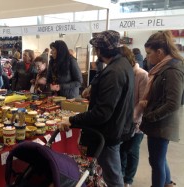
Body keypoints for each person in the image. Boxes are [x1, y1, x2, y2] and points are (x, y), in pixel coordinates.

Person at [58, 30, 134, 187]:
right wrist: (95, 87)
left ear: (100, 50)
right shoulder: (121, 64)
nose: (94, 51)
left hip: (108, 133)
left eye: (95, 48)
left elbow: (102, 113)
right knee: (112, 172)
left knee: (113, 176)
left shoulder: (114, 72)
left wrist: (72, 120)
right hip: (116, 128)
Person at [139, 31, 184, 187]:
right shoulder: (163, 68)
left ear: (160, 52)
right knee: (159, 158)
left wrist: (150, 116)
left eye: (149, 53)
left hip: (161, 124)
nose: (147, 57)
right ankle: (167, 183)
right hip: (159, 123)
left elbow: (173, 103)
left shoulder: (172, 70)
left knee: (156, 161)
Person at [119, 46, 148, 187]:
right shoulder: (123, 73)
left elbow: (142, 101)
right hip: (123, 121)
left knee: (132, 151)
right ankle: (122, 176)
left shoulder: (142, 75)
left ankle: (128, 179)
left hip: (136, 122)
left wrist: (133, 118)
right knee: (122, 149)